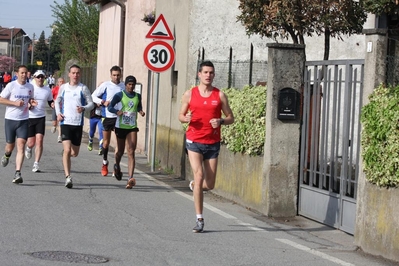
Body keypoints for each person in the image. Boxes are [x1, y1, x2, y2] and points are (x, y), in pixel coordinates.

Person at [178, 60, 235, 233]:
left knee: (209, 184)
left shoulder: (220, 95)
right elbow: (180, 115)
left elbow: (231, 117)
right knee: (200, 174)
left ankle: (196, 185)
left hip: (212, 143)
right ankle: (200, 219)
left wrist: (221, 121)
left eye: (211, 73)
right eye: (205, 72)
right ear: (199, 74)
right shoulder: (190, 94)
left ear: (214, 75)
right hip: (194, 140)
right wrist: (185, 118)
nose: (208, 75)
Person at [55, 64, 94, 188]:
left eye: (77, 73)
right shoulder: (64, 87)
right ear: (69, 74)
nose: (75, 75)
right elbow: (57, 101)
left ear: (80, 74)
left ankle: (66, 155)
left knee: (74, 153)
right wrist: (58, 114)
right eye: (73, 73)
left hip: (77, 123)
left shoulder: (83, 88)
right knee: (67, 150)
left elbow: (91, 104)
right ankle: (68, 177)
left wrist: (83, 108)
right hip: (65, 122)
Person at [0, 65, 37, 184]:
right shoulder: (11, 86)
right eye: (21, 73)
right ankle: (7, 154)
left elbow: (30, 99)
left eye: (25, 73)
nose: (24, 75)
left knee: (21, 145)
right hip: (10, 119)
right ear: (17, 74)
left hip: (24, 120)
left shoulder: (30, 86)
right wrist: (14, 103)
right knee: (10, 146)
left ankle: (17, 173)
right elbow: (1, 99)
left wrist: (32, 102)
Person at [108, 75, 145, 188]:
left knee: (131, 150)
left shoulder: (138, 96)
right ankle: (117, 165)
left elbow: (138, 107)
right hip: (121, 126)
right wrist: (117, 111)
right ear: (126, 85)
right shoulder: (120, 95)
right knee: (120, 151)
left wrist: (141, 111)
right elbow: (110, 107)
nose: (131, 86)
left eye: (133, 84)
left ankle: (130, 178)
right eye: (129, 84)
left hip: (132, 126)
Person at [91, 65, 124, 176]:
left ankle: (116, 165)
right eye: (114, 75)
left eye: (118, 75)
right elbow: (93, 96)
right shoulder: (105, 85)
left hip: (119, 118)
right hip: (107, 117)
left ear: (121, 75)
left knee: (119, 145)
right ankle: (105, 162)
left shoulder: (123, 86)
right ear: (110, 75)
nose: (116, 77)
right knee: (106, 143)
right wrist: (102, 102)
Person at [25, 70, 54, 172]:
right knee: (31, 142)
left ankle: (36, 163)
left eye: (42, 77)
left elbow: (50, 101)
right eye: (38, 77)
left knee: (40, 140)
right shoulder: (30, 88)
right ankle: (28, 148)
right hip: (29, 117)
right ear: (34, 78)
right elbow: (25, 101)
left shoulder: (47, 90)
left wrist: (53, 105)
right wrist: (29, 105)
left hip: (41, 117)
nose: (40, 79)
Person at [51, 77, 65, 143]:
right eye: (60, 82)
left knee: (60, 122)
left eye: (62, 81)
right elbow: (50, 97)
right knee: (54, 122)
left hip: (62, 108)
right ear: (58, 83)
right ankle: (54, 126)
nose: (61, 83)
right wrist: (53, 102)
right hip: (56, 107)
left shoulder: (65, 89)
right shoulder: (55, 89)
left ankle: (59, 136)